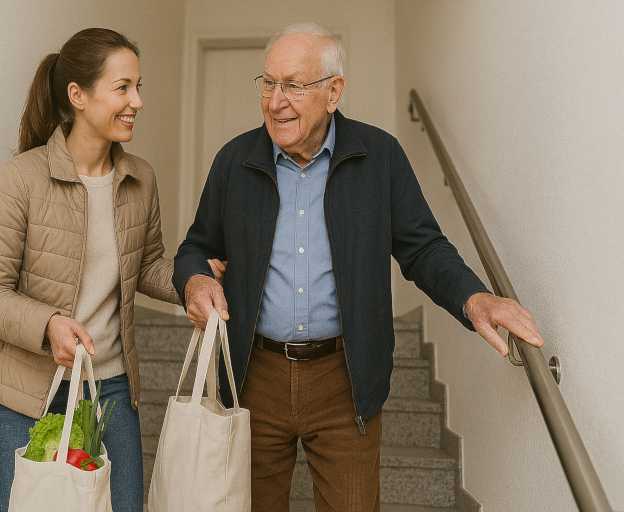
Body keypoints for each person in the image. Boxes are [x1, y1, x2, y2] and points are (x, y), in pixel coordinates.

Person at [172, 23, 545, 511]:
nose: (275, 101)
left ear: (334, 92)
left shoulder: (380, 156)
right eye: (269, 83)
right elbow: (196, 247)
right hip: (253, 377)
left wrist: (475, 298)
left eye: (294, 85)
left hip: (345, 380)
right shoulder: (233, 160)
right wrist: (195, 280)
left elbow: (423, 248)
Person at [0, 28, 221, 512]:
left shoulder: (140, 178)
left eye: (138, 87)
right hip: (21, 394)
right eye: (123, 88)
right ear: (77, 96)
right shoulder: (20, 178)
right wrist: (49, 325)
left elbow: (146, 265)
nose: (137, 101)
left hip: (109, 386)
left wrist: (193, 281)